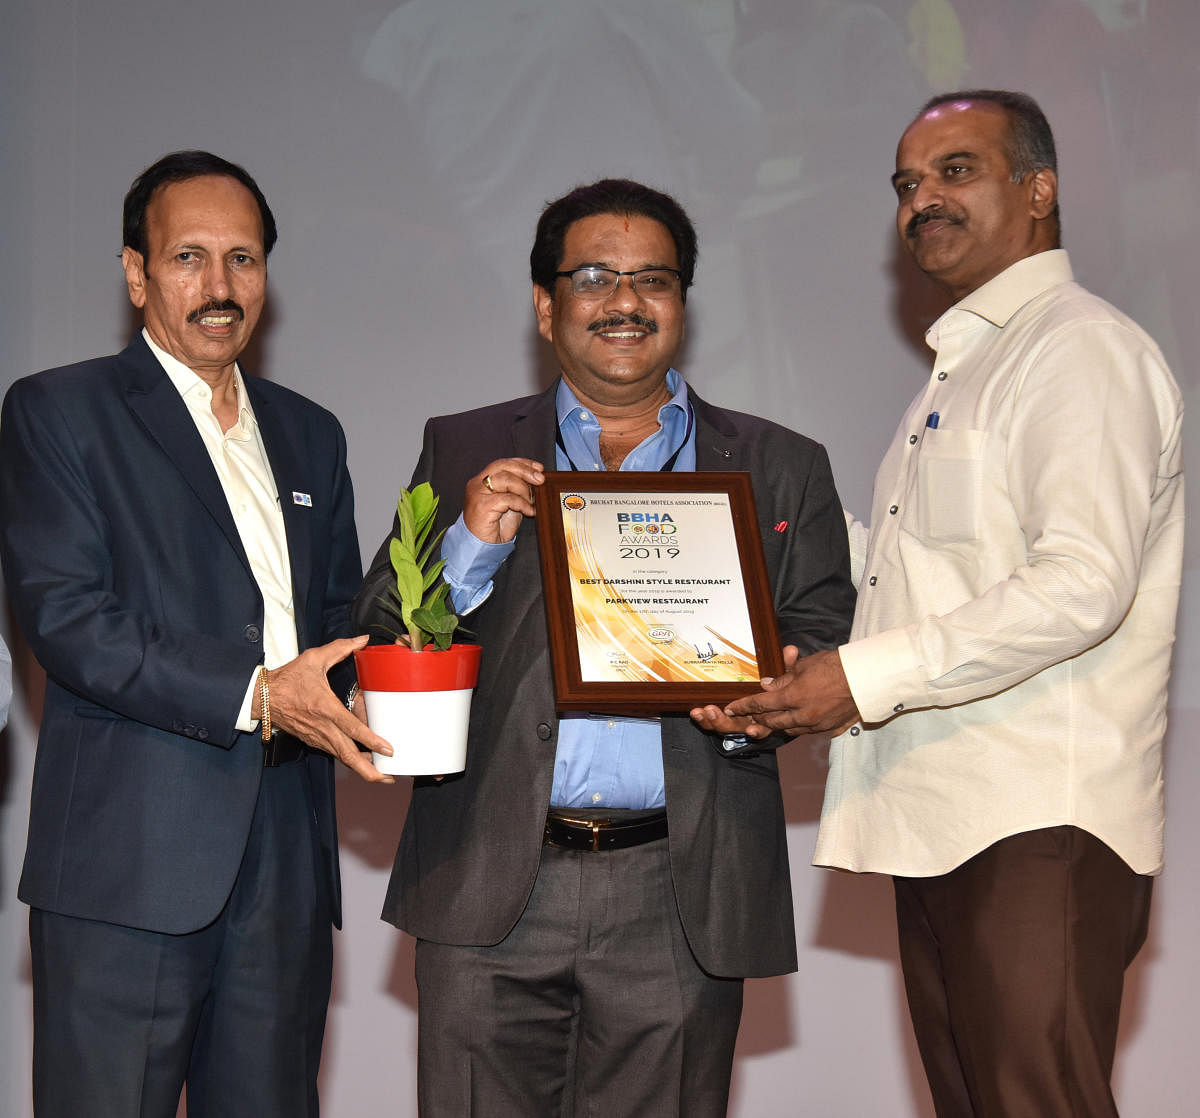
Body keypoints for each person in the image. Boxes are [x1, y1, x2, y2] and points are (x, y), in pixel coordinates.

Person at [698, 91, 1185, 1116]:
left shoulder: (1077, 349)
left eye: (955, 171)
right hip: (951, 817)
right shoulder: (962, 373)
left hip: (1034, 821)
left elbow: (1082, 582)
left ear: (1039, 189)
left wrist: (857, 676)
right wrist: (752, 569)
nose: (922, 200)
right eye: (906, 184)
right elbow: (911, 573)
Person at [353, 178, 855, 1118]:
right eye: (594, 278)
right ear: (547, 306)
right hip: (488, 880)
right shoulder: (464, 445)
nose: (625, 302)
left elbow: (822, 644)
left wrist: (763, 704)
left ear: (682, 305)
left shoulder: (782, 462)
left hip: (681, 887)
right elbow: (377, 636)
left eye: (652, 280)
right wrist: (468, 546)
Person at [0, 151, 394, 1118]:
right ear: (137, 273)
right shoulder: (61, 410)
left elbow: (337, 620)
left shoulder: (312, 432)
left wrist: (401, 683)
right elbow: (67, 619)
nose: (220, 287)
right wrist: (259, 694)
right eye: (188, 257)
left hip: (287, 864)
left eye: (244, 259)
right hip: (128, 865)